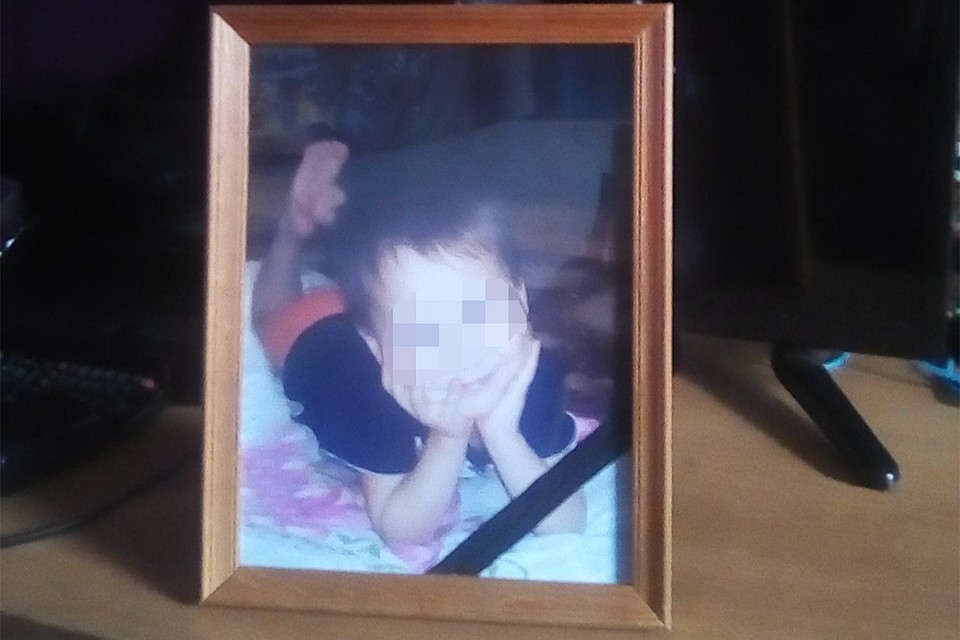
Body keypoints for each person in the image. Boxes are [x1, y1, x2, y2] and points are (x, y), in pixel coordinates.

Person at [251, 140, 585, 546]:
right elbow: (401, 529)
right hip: (323, 344)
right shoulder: (371, 399)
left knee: (378, 294)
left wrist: (504, 436)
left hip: (380, 314)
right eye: (425, 332)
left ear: (520, 298)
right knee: (271, 320)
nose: (459, 348)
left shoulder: (534, 376)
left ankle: (341, 241)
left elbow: (566, 522)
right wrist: (448, 438)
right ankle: (293, 229)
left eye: (478, 311)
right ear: (378, 348)